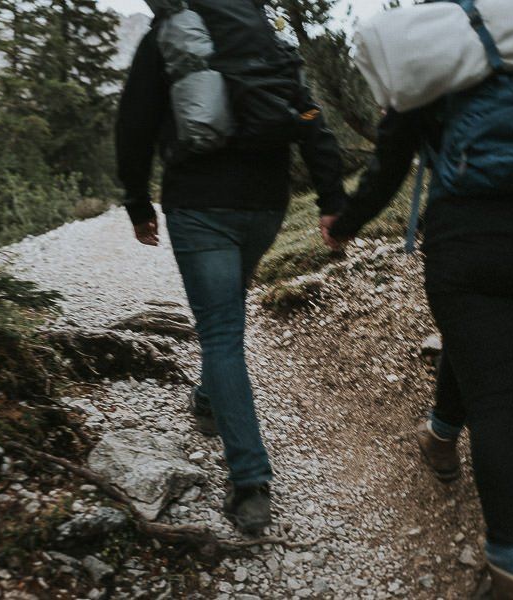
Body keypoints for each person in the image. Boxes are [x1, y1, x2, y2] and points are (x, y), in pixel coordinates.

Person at [322, 107, 513, 598]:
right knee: (477, 334)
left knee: (493, 404)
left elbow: (392, 158)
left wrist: (347, 222)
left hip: (469, 243)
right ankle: (440, 434)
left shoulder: (438, 66)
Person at [116, 18, 348, 534]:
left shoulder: (169, 34)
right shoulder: (262, 33)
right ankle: (207, 399)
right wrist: (332, 197)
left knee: (221, 331)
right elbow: (310, 116)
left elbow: (133, 121)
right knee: (227, 309)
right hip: (266, 206)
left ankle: (250, 482)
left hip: (200, 203)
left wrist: (137, 201)